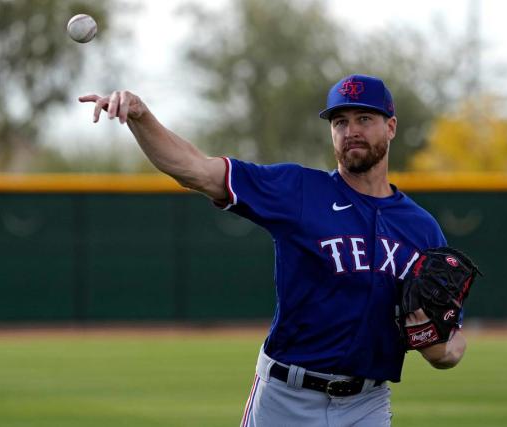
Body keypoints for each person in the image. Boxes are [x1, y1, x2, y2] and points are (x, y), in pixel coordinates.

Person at [79, 74, 466, 426]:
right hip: (285, 400)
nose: (351, 130)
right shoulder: (298, 190)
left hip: (366, 405)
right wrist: (142, 117)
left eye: (364, 118)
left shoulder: (421, 228)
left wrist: (442, 349)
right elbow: (195, 169)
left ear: (391, 126)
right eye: (339, 122)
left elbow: (448, 342)